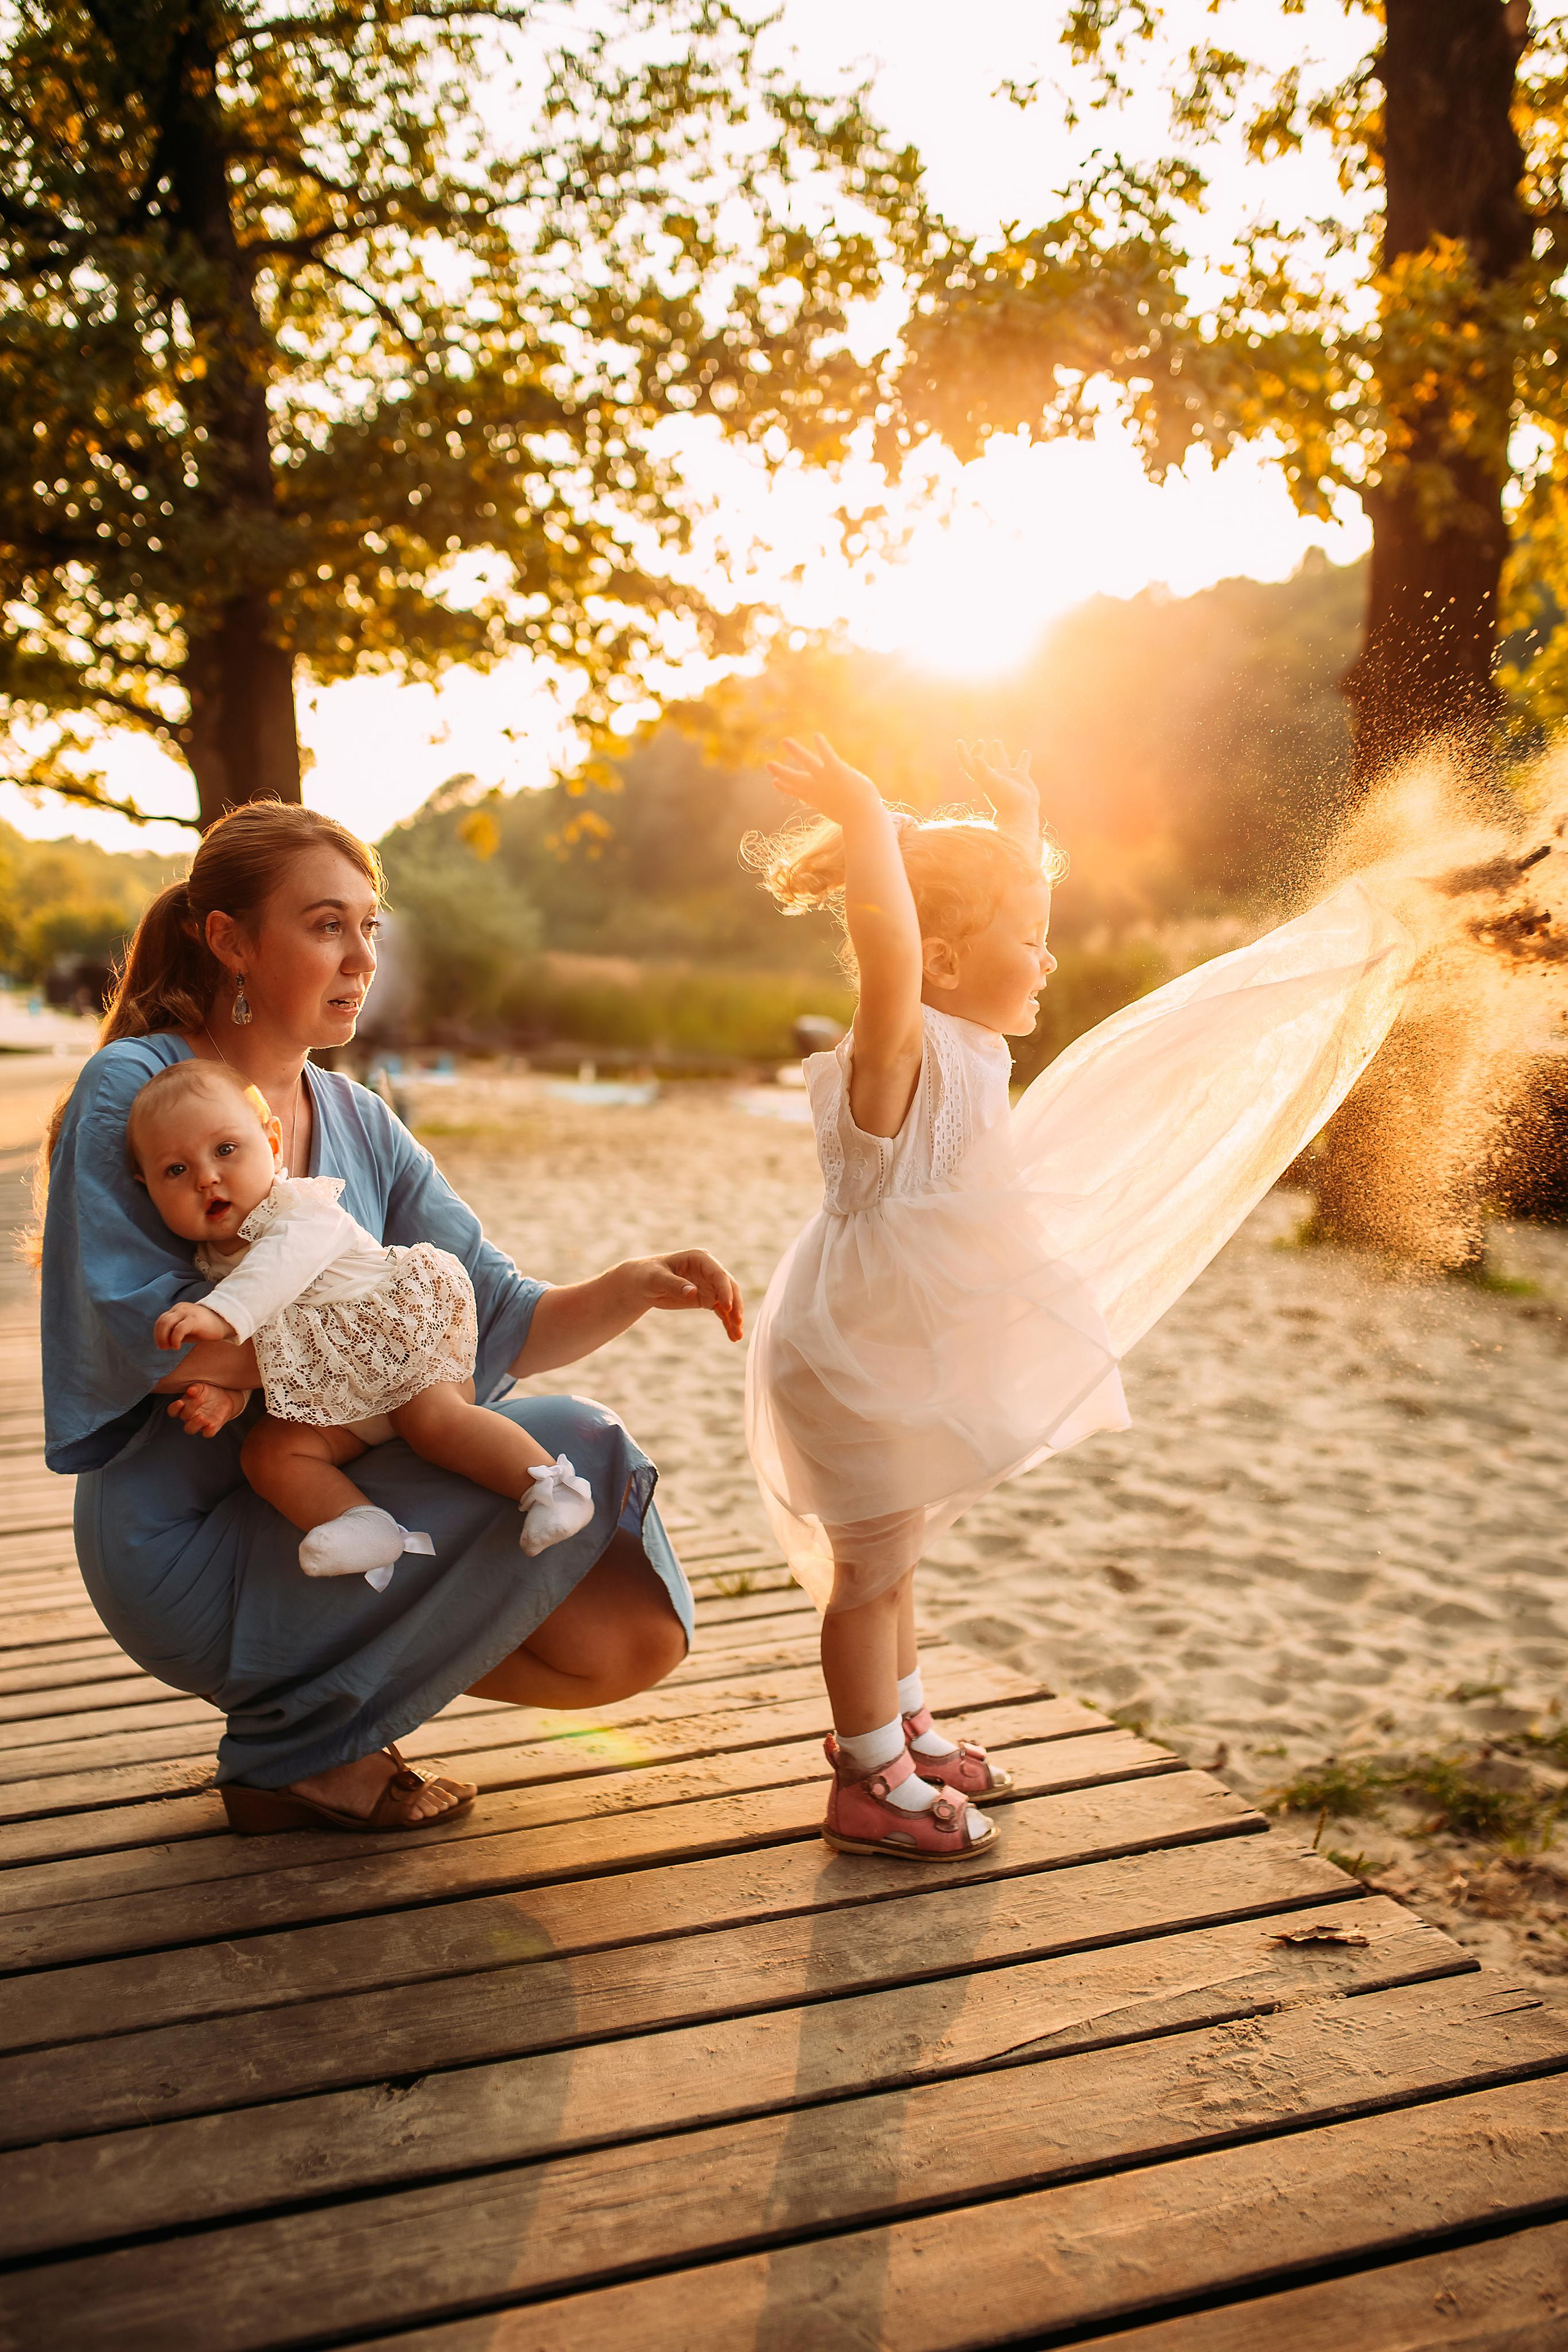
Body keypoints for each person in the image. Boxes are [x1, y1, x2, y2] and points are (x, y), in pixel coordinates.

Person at [745, 735, 1412, 1863]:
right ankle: (866, 1779)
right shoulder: (896, 1050)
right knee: (867, 1575)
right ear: (945, 960)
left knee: (897, 1558)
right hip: (855, 1357)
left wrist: (1024, 830)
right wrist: (867, 823)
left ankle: (897, 1728)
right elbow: (890, 942)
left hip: (907, 1346)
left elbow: (966, 934)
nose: (1048, 962)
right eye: (1031, 942)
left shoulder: (965, 1033)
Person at [39, 801, 742, 1836]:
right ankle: (308, 1748)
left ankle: (326, 1730)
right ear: (229, 940)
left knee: (625, 1637)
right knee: (581, 1447)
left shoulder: (361, 1118)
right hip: (185, 1534)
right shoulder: (138, 1091)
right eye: (327, 926)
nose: (359, 957)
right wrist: (262, 1355)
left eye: (370, 927)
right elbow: (136, 1334)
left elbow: (499, 1319)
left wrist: (631, 1285)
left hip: (332, 1491)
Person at [131, 1059, 617, 1585]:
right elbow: (276, 1345)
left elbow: (279, 1271)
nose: (207, 1177)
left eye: (226, 1150)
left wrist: (218, 1313)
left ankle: (552, 1486)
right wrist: (229, 1397)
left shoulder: (300, 1211)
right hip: (340, 1396)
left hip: (402, 1353)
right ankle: (365, 1528)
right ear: (147, 1189)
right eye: (176, 1171)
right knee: (269, 1453)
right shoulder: (211, 1265)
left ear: (271, 1143)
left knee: (434, 1425)